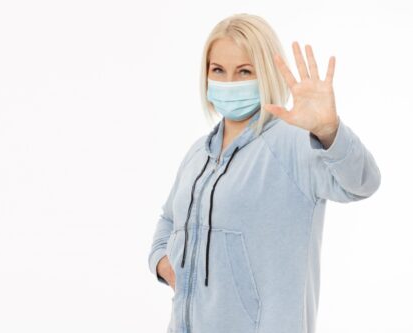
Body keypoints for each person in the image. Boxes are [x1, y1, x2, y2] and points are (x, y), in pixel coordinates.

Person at [147, 13, 381, 333]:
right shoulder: (198, 153)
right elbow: (169, 219)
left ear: (266, 74)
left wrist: (330, 132)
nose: (229, 82)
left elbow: (363, 183)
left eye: (244, 71)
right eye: (218, 70)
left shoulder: (291, 143)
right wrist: (164, 265)